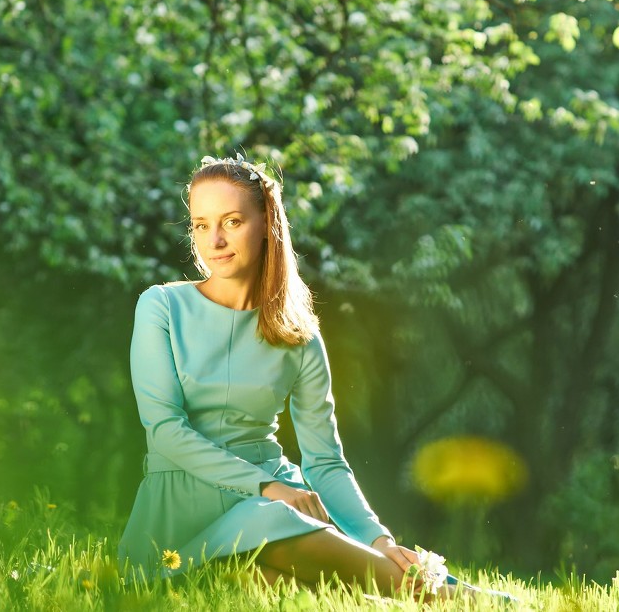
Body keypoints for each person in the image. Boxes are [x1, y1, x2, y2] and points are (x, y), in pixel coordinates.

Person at [117, 153, 434, 596]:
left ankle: (453, 595)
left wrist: (379, 540)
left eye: (231, 221)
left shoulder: (299, 335)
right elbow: (166, 429)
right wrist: (265, 487)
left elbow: (324, 462)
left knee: (272, 580)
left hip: (276, 501)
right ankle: (450, 597)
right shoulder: (161, 307)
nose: (215, 240)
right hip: (189, 508)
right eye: (201, 225)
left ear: (266, 222)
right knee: (259, 550)